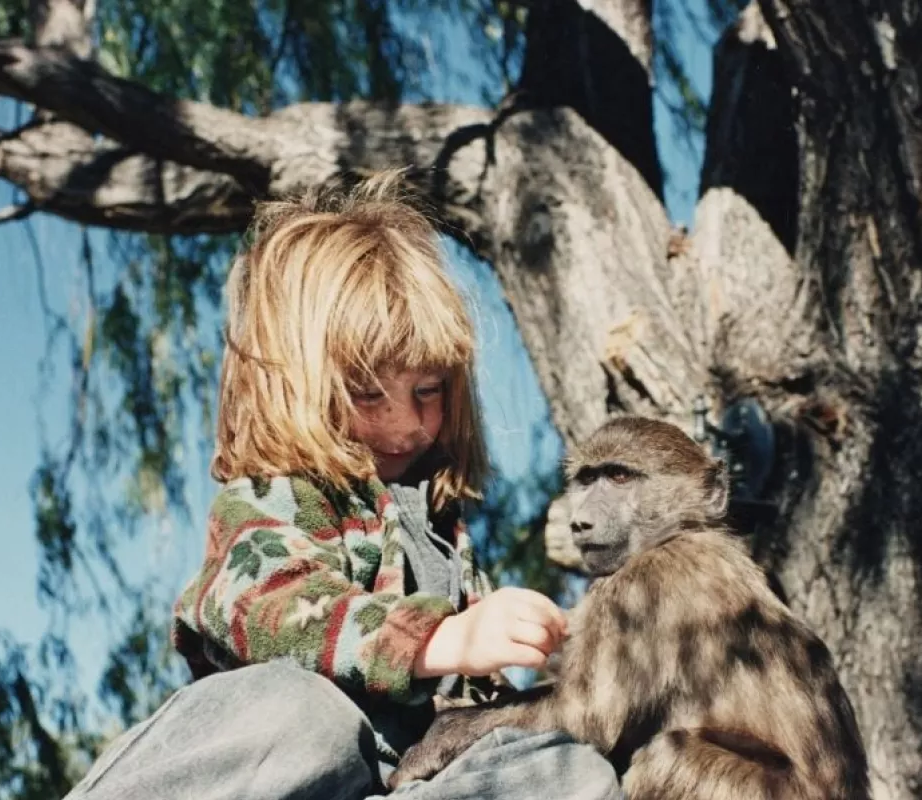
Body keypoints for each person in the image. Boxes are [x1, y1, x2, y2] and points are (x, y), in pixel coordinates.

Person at [62, 171, 623, 800]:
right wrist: (437, 639)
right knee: (301, 715)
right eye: (366, 393)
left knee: (563, 769)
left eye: (428, 391)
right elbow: (266, 608)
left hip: (388, 782)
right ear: (292, 384)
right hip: (276, 773)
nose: (406, 423)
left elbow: (472, 707)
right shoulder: (273, 498)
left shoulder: (440, 533)